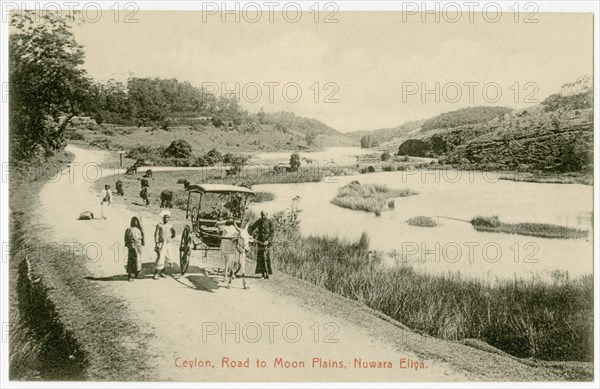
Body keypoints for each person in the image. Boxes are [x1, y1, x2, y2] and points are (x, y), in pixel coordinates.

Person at [248, 210, 274, 279]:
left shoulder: (270, 222)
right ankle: (263, 274)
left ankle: (268, 274)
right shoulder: (259, 221)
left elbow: (272, 233)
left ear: (267, 215)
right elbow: (252, 228)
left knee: (267, 258)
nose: (263, 216)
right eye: (262, 215)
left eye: (264, 215)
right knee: (261, 258)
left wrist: (268, 241)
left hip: (268, 244)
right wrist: (246, 233)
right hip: (260, 242)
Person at [153, 210, 176, 280]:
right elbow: (156, 235)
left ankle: (162, 272)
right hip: (161, 243)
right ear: (163, 218)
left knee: (167, 258)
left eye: (167, 217)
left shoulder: (170, 225)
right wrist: (156, 243)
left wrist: (171, 237)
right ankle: (156, 274)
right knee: (160, 258)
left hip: (168, 244)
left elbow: (173, 233)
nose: (166, 219)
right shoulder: (159, 225)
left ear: (169, 218)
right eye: (165, 217)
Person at [124, 217, 144, 282]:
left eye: (136, 221)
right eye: (134, 221)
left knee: (138, 259)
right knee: (131, 260)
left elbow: (142, 238)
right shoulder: (129, 229)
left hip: (138, 245)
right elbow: (126, 238)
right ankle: (130, 275)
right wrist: (128, 244)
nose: (135, 223)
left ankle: (137, 273)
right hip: (132, 245)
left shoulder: (139, 230)